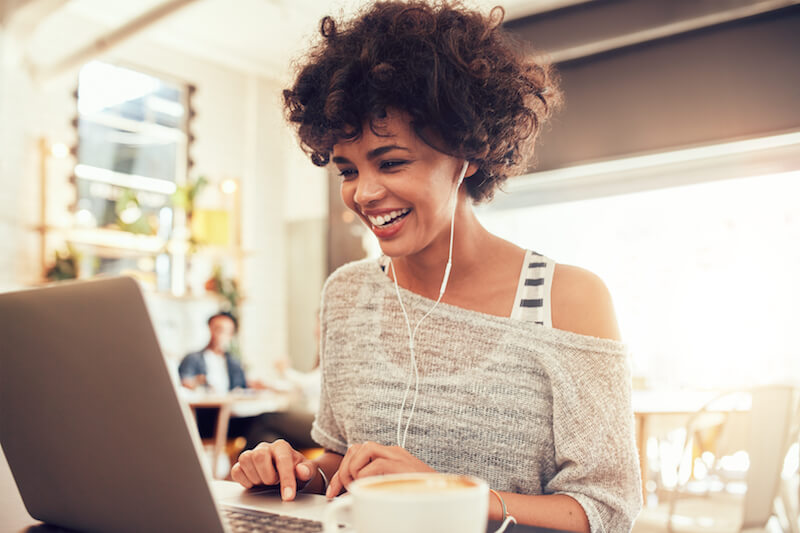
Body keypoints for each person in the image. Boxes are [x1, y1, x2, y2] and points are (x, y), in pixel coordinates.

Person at [231, 2, 642, 531]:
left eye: (392, 161)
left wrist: (448, 494)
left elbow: (607, 510)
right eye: (348, 169)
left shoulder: (567, 299)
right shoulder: (347, 294)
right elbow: (341, 466)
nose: (365, 193)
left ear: (468, 152)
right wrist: (293, 474)